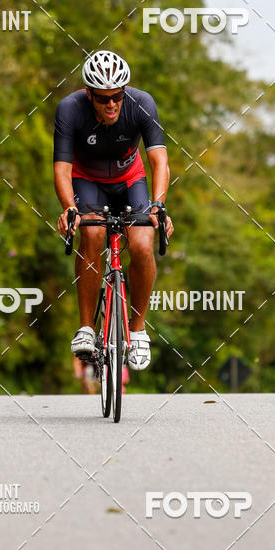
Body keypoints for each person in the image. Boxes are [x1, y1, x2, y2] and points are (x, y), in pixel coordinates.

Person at [54, 50, 173, 371]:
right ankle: (86, 329)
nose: (111, 104)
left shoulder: (142, 104)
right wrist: (69, 208)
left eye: (117, 96)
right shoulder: (70, 109)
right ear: (89, 94)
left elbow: (159, 160)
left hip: (130, 180)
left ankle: (137, 331)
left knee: (142, 244)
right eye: (103, 98)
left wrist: (159, 204)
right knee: (91, 233)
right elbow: (62, 169)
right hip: (87, 180)